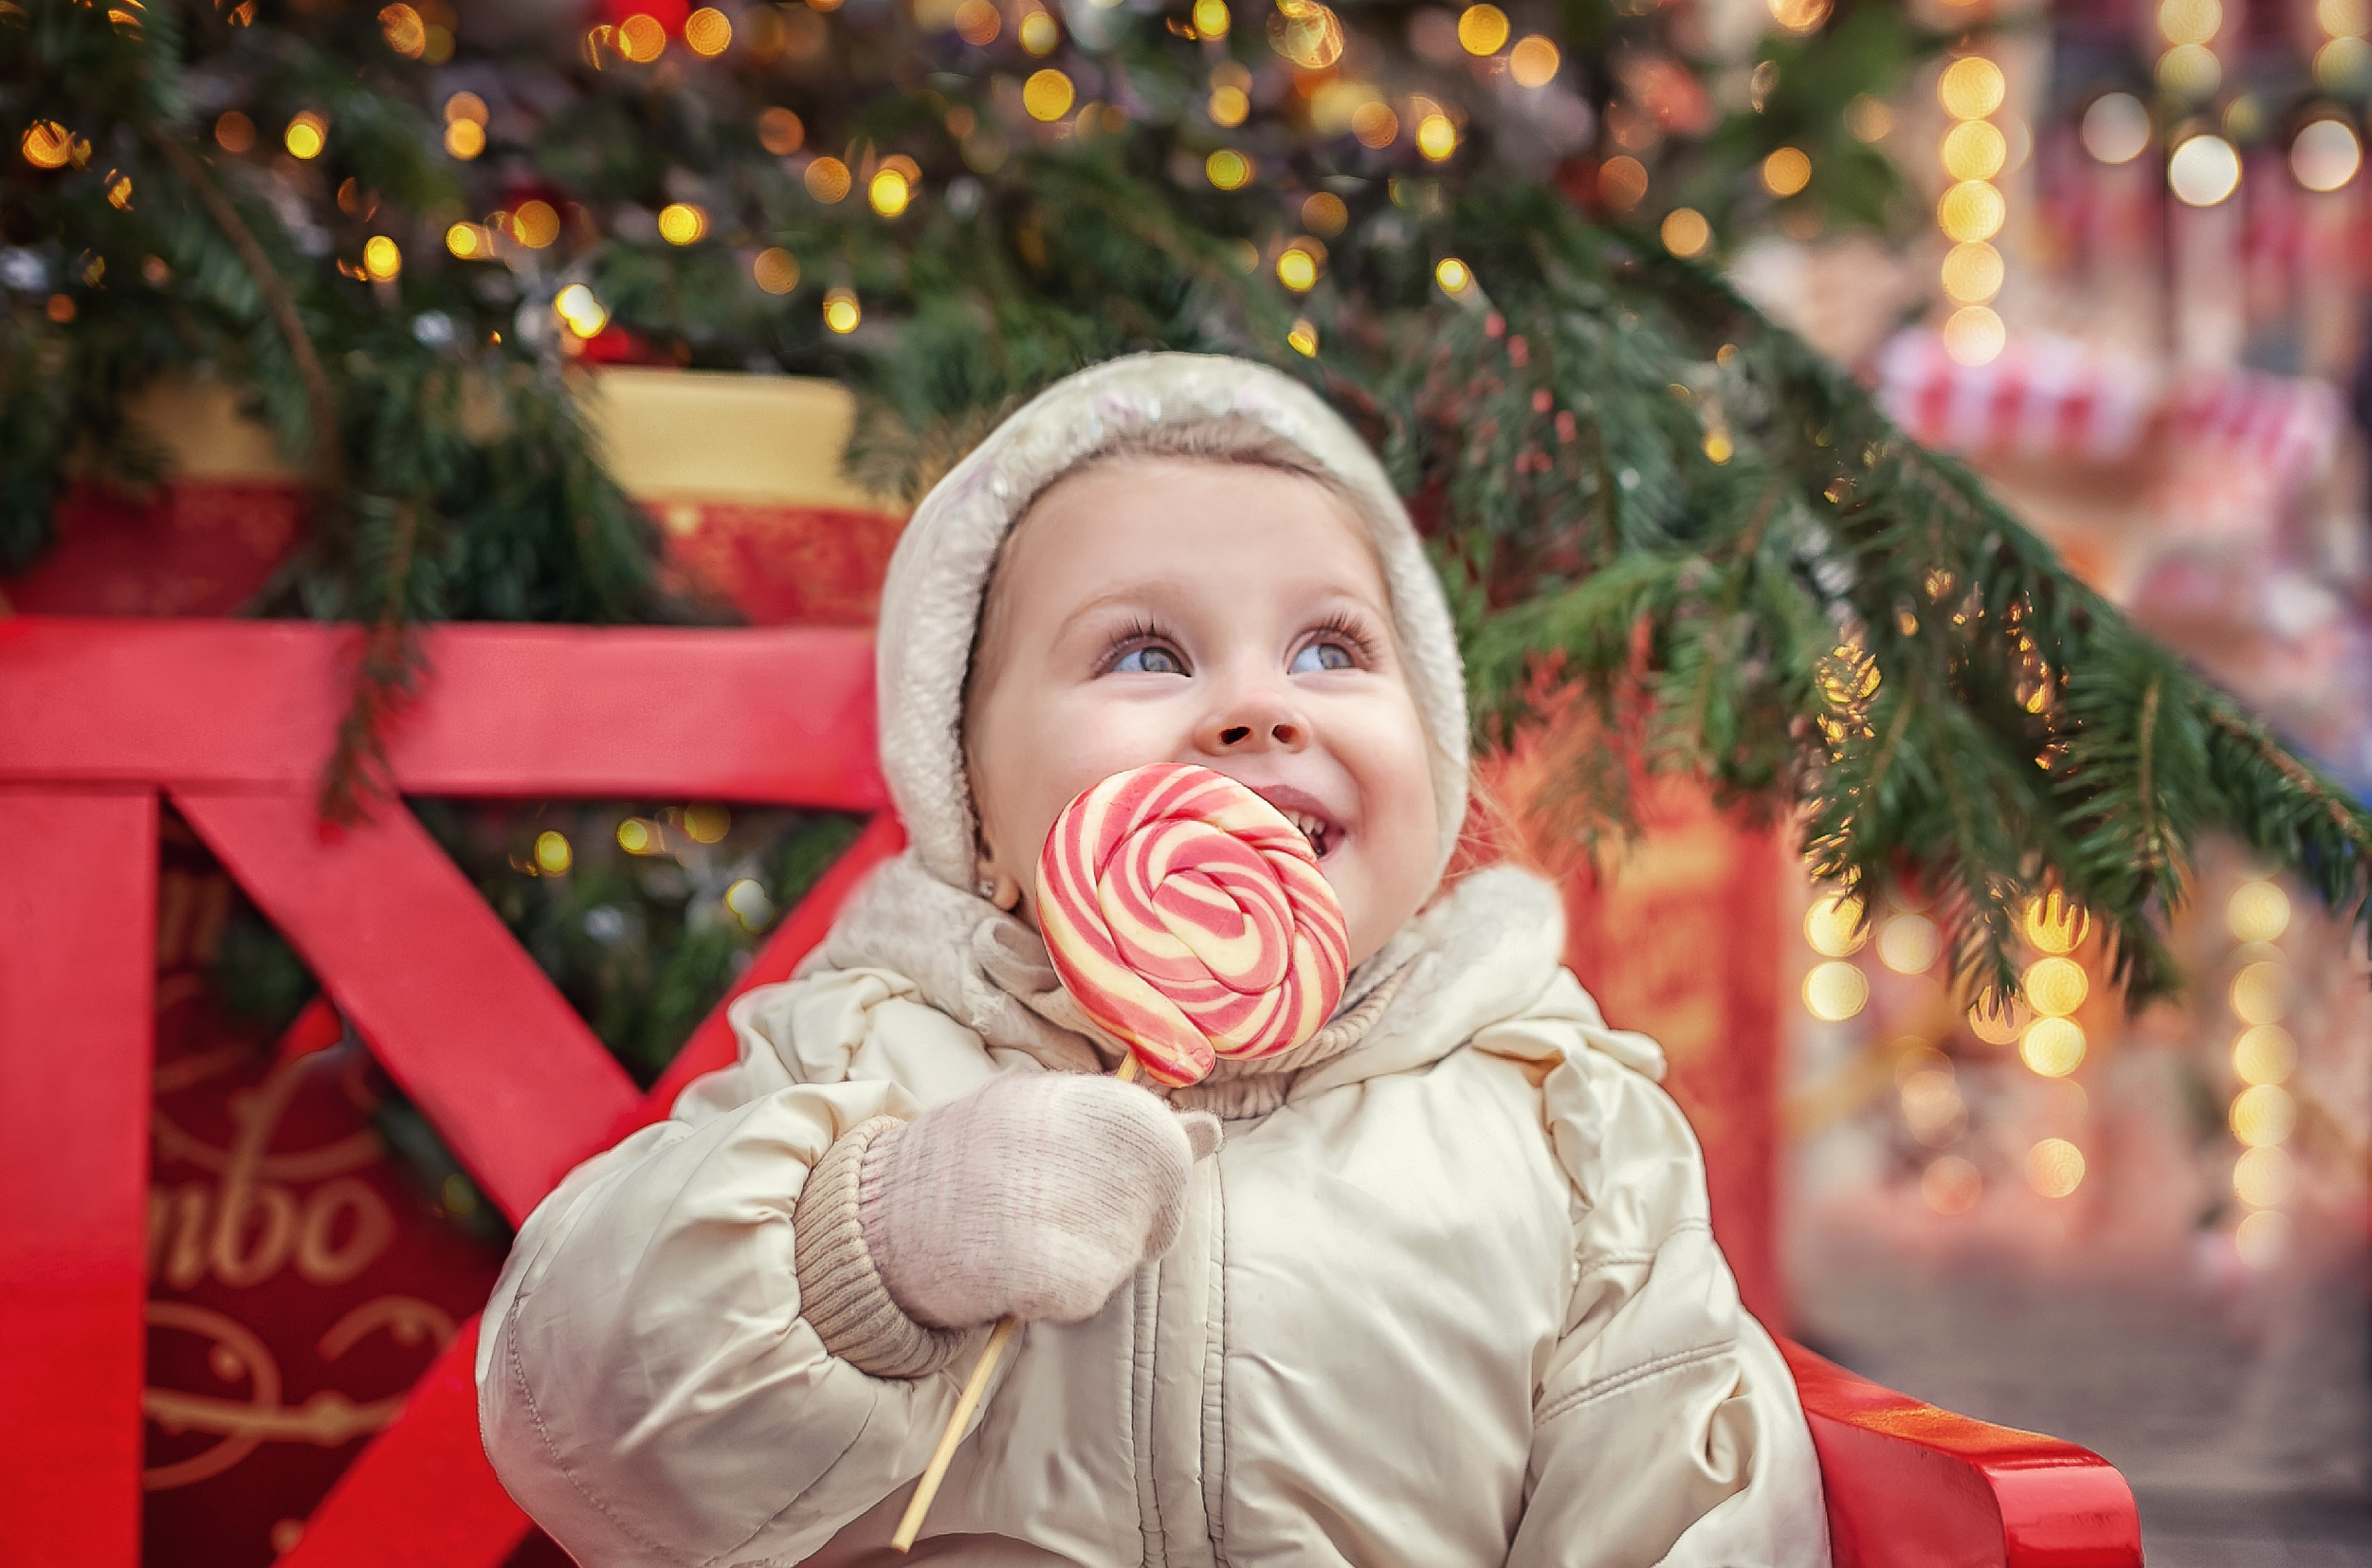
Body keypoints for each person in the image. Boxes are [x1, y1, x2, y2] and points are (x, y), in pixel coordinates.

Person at [477, 352, 1831, 1566]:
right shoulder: (867, 1058)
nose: (1256, 706)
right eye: (1145, 651)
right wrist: (875, 1247)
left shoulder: (1563, 1125)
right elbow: (574, 1420)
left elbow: (1692, 1509)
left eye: (1330, 647)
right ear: (972, 807)